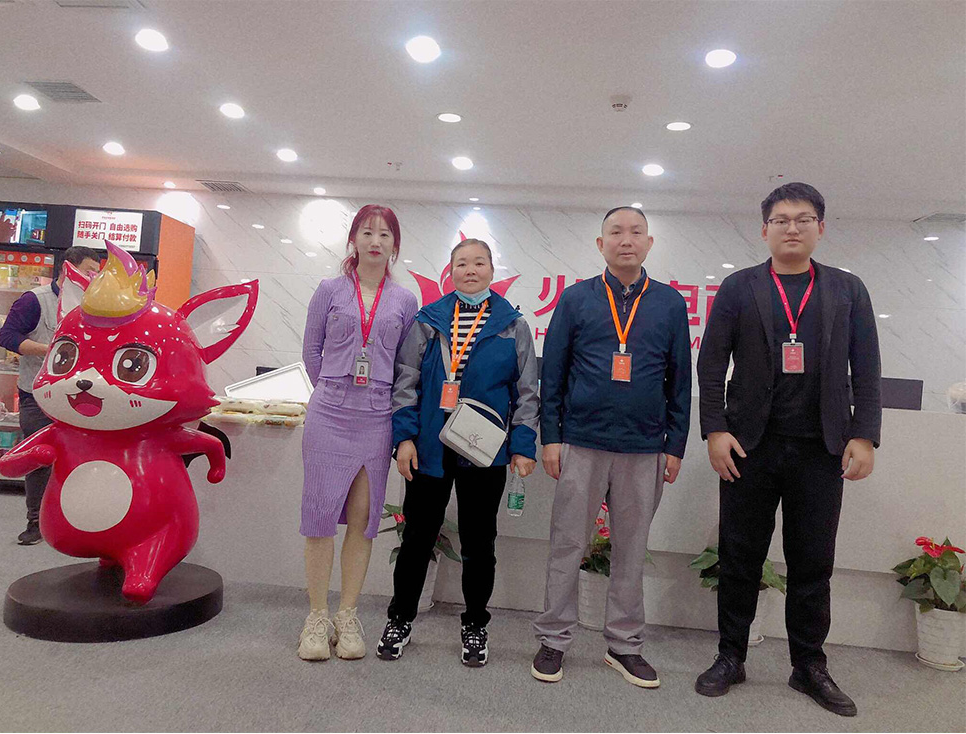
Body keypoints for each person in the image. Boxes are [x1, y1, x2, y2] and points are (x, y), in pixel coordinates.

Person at [694, 183, 881, 717]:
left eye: (803, 219)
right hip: (748, 447)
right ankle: (731, 656)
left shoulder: (847, 289)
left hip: (822, 449)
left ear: (821, 228)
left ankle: (809, 666)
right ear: (765, 230)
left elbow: (867, 366)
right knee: (739, 557)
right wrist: (714, 430)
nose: (792, 228)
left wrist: (864, 434)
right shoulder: (739, 287)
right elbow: (712, 363)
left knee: (813, 562)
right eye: (781, 219)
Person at [531, 206, 691, 688]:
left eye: (636, 232)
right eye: (616, 232)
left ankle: (624, 645)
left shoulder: (669, 303)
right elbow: (553, 373)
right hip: (581, 442)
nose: (626, 240)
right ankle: (554, 639)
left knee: (631, 549)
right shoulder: (576, 298)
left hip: (644, 446)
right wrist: (551, 437)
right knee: (567, 544)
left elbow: (679, 380)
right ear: (600, 244)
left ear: (649, 243)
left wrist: (675, 444)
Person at [377, 238, 539, 667]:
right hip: (429, 448)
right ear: (450, 272)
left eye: (479, 263)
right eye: (462, 263)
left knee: (480, 543)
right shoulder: (428, 320)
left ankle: (475, 625)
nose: (471, 270)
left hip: (484, 450)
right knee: (417, 539)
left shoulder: (512, 325)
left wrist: (523, 446)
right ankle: (399, 619)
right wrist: (404, 438)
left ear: (491, 270)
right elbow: (405, 381)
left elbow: (527, 392)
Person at [298, 204, 418, 662]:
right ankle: (316, 615)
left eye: (385, 234)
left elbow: (406, 364)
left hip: (377, 414)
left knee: (364, 516)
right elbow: (311, 350)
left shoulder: (404, 301)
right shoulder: (329, 290)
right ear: (354, 240)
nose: (375, 241)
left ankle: (347, 614)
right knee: (319, 513)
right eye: (367, 232)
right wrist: (333, 387)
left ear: (394, 245)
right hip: (329, 410)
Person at [0, 244, 101, 545]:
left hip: (81, 398)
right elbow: (7, 337)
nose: (93, 278)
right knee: (39, 457)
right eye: (88, 272)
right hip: (38, 394)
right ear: (68, 268)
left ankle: (78, 519)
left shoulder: (94, 304)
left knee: (82, 457)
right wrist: (51, 351)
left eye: (97, 274)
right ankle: (36, 521)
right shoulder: (35, 300)